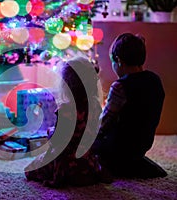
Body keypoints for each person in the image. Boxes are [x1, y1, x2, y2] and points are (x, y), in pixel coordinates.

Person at [24, 55, 110, 188]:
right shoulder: (96, 106)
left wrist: (50, 132)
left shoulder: (66, 110)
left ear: (66, 85)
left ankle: (67, 177)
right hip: (87, 162)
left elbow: (58, 143)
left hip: (67, 165)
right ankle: (83, 176)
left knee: (29, 169)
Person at [92, 33, 167, 179]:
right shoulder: (155, 80)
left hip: (117, 147)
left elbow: (103, 124)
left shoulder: (121, 86)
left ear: (118, 61)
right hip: (141, 145)